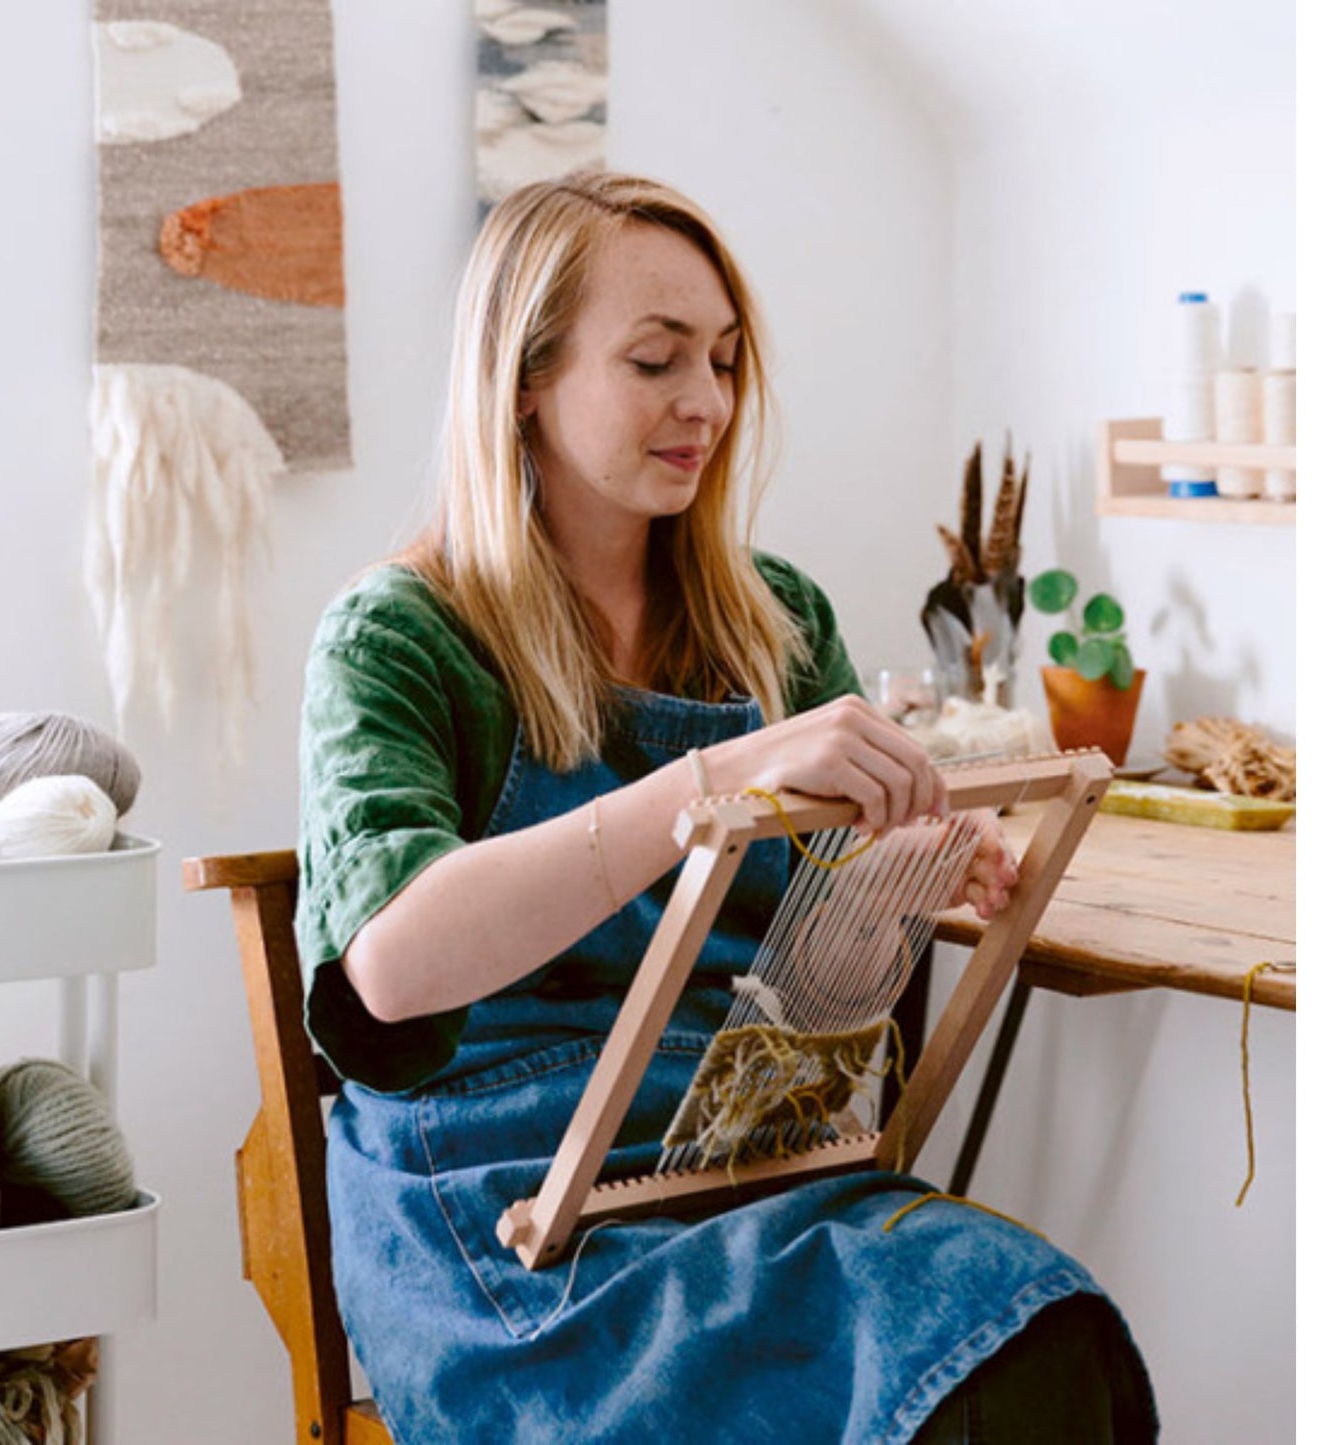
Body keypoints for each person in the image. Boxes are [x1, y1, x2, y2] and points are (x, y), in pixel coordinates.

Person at [297, 170, 1156, 1443]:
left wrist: (906, 870)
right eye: (654, 360)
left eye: (724, 359)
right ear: (522, 378)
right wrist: (710, 784)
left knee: (1037, 1338)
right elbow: (391, 963)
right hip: (503, 1211)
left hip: (742, 1161)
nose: (705, 400)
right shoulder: (399, 635)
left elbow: (818, 953)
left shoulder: (774, 620)